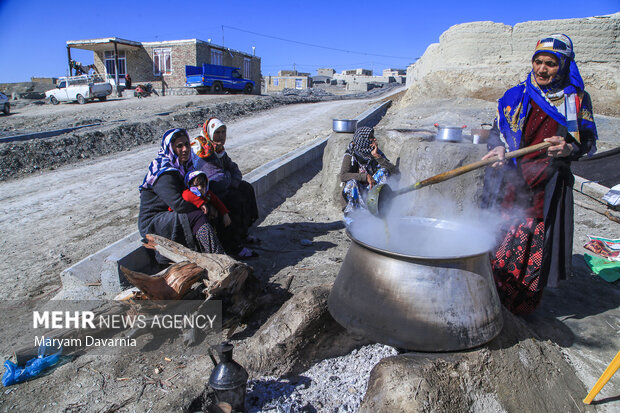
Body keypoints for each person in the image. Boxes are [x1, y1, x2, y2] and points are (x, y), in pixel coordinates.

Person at [481, 34, 597, 316]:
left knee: (530, 251)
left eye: (550, 64)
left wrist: (568, 147)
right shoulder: (516, 95)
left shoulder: (574, 100)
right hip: (510, 184)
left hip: (545, 187)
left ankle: (518, 312)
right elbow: (497, 133)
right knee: (494, 244)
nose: (542, 69)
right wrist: (496, 149)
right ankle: (488, 301)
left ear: (564, 65)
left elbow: (587, 142)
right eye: (538, 61)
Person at [138, 128, 224, 258]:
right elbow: (178, 204)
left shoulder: (184, 166)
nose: (185, 149)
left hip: (170, 212)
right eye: (179, 146)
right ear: (170, 148)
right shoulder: (164, 172)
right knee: (197, 214)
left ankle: (219, 251)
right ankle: (217, 257)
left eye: (186, 144)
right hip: (154, 221)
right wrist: (204, 206)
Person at [191, 118, 259, 258]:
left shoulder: (218, 150)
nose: (221, 136)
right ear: (209, 134)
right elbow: (217, 180)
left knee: (246, 188)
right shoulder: (203, 152)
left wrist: (229, 177)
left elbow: (235, 170)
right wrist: (229, 176)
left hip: (222, 188)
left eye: (223, 132)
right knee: (233, 201)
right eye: (217, 133)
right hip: (207, 193)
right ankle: (232, 246)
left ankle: (243, 233)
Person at [339, 126, 399, 215]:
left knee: (383, 172)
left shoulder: (375, 152)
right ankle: (352, 215)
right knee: (351, 184)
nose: (374, 139)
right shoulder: (351, 154)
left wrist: (377, 157)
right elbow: (343, 175)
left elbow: (395, 173)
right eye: (371, 137)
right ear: (363, 140)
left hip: (374, 190)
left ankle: (382, 208)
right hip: (359, 190)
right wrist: (365, 177)